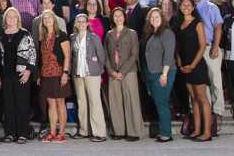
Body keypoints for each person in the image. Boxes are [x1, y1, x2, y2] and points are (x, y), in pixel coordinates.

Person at [173, 0, 212, 141]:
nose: (186, 7)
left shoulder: (198, 23)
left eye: (189, 5)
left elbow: (202, 47)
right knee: (193, 98)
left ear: (193, 8)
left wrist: (193, 65)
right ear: (180, 7)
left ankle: (207, 132)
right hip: (185, 65)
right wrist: (180, 63)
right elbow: (179, 46)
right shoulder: (179, 24)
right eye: (183, 5)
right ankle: (197, 130)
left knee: (202, 98)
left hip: (197, 65)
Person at [0, 8, 36, 144]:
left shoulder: (25, 34)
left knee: (22, 103)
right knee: (8, 104)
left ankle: (23, 133)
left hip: (21, 74)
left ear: (18, 19)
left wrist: (28, 70)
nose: (12, 19)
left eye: (14, 16)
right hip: (6, 75)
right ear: (5, 19)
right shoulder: (0, 35)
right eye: (9, 16)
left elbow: (32, 54)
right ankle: (10, 133)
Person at [104, 8, 142, 141]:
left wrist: (122, 72)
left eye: (120, 16)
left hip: (128, 71)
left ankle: (133, 132)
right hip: (113, 72)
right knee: (115, 102)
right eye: (115, 16)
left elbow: (134, 54)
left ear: (124, 18)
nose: (118, 18)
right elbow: (106, 55)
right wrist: (112, 71)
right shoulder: (109, 34)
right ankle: (118, 131)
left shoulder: (132, 33)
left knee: (131, 100)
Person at [140, 7, 177, 142]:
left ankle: (167, 134)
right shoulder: (149, 33)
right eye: (152, 17)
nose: (154, 19)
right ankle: (163, 131)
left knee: (161, 102)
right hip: (150, 72)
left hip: (162, 72)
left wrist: (164, 74)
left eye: (157, 17)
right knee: (158, 102)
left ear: (162, 18)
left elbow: (169, 54)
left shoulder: (166, 33)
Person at [69, 13, 106, 142]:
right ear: (76, 23)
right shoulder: (72, 37)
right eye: (78, 21)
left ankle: (99, 132)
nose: (81, 24)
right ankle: (84, 130)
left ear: (87, 23)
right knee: (81, 101)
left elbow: (101, 56)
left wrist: (96, 67)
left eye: (83, 21)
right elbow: (71, 56)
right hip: (77, 74)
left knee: (94, 101)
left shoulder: (94, 37)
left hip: (91, 72)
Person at [189, 0, 224, 119]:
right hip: (195, 49)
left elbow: (218, 28)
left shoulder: (211, 7)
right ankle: (207, 110)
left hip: (210, 47)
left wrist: (215, 46)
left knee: (215, 80)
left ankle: (218, 110)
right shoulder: (189, 8)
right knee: (202, 81)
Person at [36, 9, 71, 143]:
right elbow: (42, 58)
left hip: (58, 72)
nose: (47, 20)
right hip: (46, 73)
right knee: (50, 102)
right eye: (44, 19)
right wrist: (39, 75)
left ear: (54, 20)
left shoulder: (61, 35)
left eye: (49, 18)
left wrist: (65, 73)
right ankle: (52, 132)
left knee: (60, 101)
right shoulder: (42, 37)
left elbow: (67, 56)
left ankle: (61, 132)